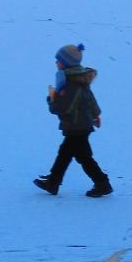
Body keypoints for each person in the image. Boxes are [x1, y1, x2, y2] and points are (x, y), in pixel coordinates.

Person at [34, 43, 113, 198]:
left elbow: (62, 108)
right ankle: (54, 182)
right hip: (80, 125)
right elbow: (90, 99)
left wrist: (51, 99)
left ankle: (102, 184)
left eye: (58, 61)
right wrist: (95, 114)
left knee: (77, 156)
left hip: (76, 126)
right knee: (71, 155)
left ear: (66, 63)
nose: (56, 63)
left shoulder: (71, 84)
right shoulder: (77, 80)